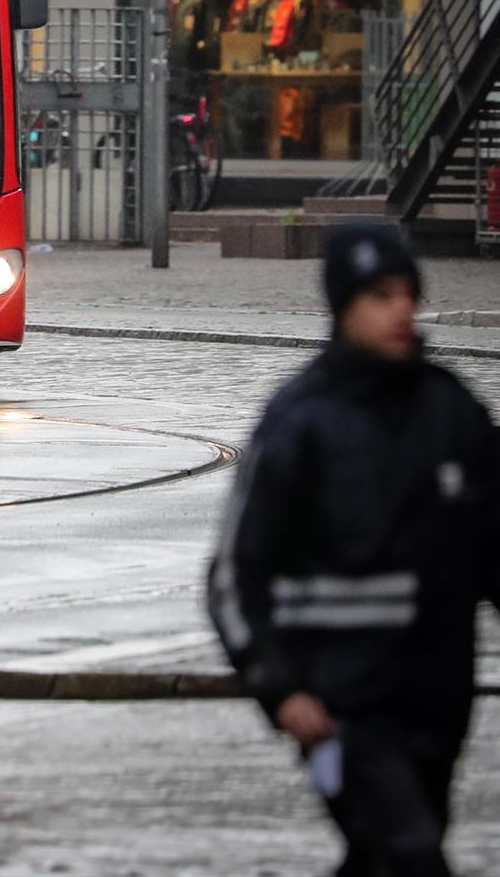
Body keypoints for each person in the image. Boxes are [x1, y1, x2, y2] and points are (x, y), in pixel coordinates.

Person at [209, 224, 499, 877]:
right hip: (340, 704)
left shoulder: (453, 414)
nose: (400, 309)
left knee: (386, 851)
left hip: (438, 696)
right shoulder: (300, 421)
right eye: (379, 294)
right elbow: (235, 573)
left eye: (407, 293)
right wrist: (280, 687)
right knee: (410, 852)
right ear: (343, 306)